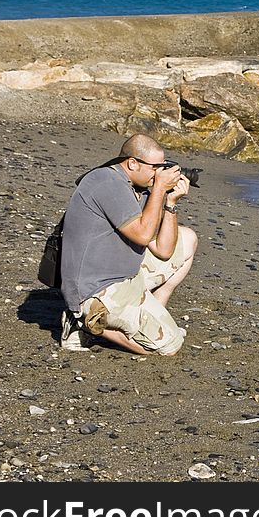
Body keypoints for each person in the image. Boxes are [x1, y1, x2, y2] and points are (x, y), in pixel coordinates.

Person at [59, 134, 198, 356]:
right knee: (169, 347)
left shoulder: (140, 188)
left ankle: (150, 318)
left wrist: (170, 204)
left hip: (125, 275)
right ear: (132, 163)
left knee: (188, 239)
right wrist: (160, 190)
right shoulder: (106, 183)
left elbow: (164, 251)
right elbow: (143, 236)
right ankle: (84, 321)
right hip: (95, 287)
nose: (159, 173)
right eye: (156, 167)